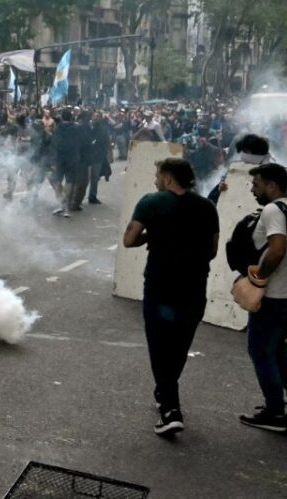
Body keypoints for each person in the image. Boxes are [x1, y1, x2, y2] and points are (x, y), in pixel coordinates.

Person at [122, 158, 220, 436]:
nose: (155, 180)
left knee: (159, 344)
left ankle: (170, 409)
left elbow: (129, 240)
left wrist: (151, 236)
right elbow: (212, 250)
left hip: (160, 287)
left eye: (157, 175)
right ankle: (165, 392)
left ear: (167, 178)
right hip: (194, 287)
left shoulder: (151, 202)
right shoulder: (207, 206)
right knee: (178, 345)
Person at [239, 163, 287, 433]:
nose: (253, 189)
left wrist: (259, 277)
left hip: (278, 295)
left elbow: (277, 249)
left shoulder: (273, 210)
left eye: (257, 184)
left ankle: (274, 411)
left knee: (260, 350)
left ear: (272, 186)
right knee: (277, 348)